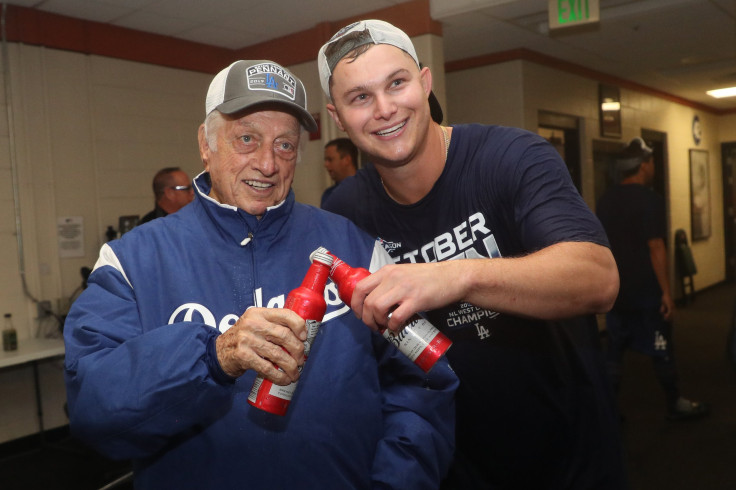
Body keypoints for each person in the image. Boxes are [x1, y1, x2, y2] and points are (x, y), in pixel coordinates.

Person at [63, 59, 457, 489]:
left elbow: (423, 383)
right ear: (206, 144)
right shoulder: (133, 262)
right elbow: (93, 408)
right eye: (247, 139)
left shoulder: (354, 246)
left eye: (285, 145)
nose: (268, 164)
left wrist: (397, 482)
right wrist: (214, 358)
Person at [319, 20, 626, 489]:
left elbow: (598, 279)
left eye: (396, 84)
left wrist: (455, 276)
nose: (384, 109)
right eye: (360, 97)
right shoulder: (344, 208)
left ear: (424, 83)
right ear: (337, 118)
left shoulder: (511, 156)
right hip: (448, 461)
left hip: (568, 455)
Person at [596, 137, 709, 421]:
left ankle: (609, 411)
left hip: (616, 290)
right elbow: (655, 246)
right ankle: (675, 403)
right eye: (651, 161)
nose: (654, 166)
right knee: (661, 347)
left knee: (614, 352)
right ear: (643, 165)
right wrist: (667, 293)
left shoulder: (605, 199)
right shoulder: (650, 200)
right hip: (647, 291)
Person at [321, 137, 358, 207]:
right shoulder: (328, 195)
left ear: (347, 160)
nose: (325, 165)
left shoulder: (367, 190)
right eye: (325, 160)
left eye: (330, 159)